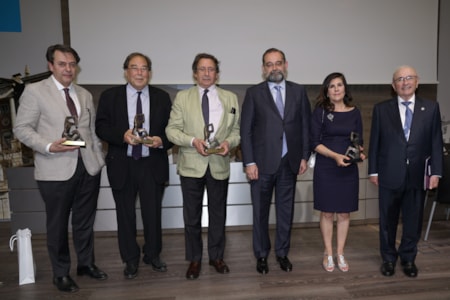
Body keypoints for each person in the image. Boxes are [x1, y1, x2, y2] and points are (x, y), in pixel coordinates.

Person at [13, 44, 107, 293]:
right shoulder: (35, 92)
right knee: (57, 223)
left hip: (88, 167)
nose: (68, 69)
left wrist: (99, 161)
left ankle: (86, 264)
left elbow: (91, 131)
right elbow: (21, 128)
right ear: (51, 65)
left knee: (85, 222)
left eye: (72, 64)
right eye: (62, 64)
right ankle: (61, 273)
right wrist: (47, 146)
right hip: (54, 169)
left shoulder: (84, 94)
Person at [95, 52, 172, 279]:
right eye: (134, 67)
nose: (140, 72)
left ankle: (153, 254)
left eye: (144, 68)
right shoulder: (110, 96)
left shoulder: (162, 97)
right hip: (122, 163)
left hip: (152, 162)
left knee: (153, 213)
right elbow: (100, 127)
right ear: (126, 71)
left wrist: (162, 141)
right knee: (125, 215)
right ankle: (130, 259)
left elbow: (172, 128)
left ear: (149, 72)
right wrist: (122, 135)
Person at [165, 53, 240, 280]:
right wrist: (192, 141)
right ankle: (195, 259)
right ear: (195, 73)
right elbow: (171, 130)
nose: (207, 73)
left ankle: (217, 256)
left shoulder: (231, 98)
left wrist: (230, 143)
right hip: (191, 165)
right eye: (202, 69)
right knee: (192, 216)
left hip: (219, 164)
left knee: (218, 214)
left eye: (211, 69)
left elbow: (236, 132)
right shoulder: (182, 97)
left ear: (217, 73)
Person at [240, 48, 311, 274]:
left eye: (278, 63)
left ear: (286, 65)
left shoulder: (298, 92)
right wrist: (249, 162)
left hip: (289, 163)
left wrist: (304, 156)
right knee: (260, 213)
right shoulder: (253, 93)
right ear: (263, 69)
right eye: (269, 64)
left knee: (285, 212)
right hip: (260, 166)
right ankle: (261, 255)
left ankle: (282, 253)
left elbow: (305, 127)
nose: (274, 68)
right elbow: (246, 131)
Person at [368, 65, 443, 278]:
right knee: (387, 221)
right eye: (399, 79)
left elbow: (436, 142)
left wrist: (436, 172)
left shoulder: (431, 108)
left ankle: (408, 258)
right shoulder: (381, 109)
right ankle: (389, 259)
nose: (404, 82)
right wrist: (373, 171)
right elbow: (375, 143)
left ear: (417, 82)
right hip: (389, 173)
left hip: (419, 176)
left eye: (409, 78)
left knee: (413, 220)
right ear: (393, 85)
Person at [310, 72, 365, 273]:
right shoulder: (320, 111)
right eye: (331, 86)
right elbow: (314, 142)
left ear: (345, 88)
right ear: (326, 90)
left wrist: (360, 153)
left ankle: (340, 252)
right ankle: (328, 253)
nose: (336, 89)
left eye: (339, 85)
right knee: (326, 212)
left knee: (344, 212)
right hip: (326, 166)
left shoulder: (355, 111)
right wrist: (335, 156)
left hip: (348, 169)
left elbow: (359, 141)